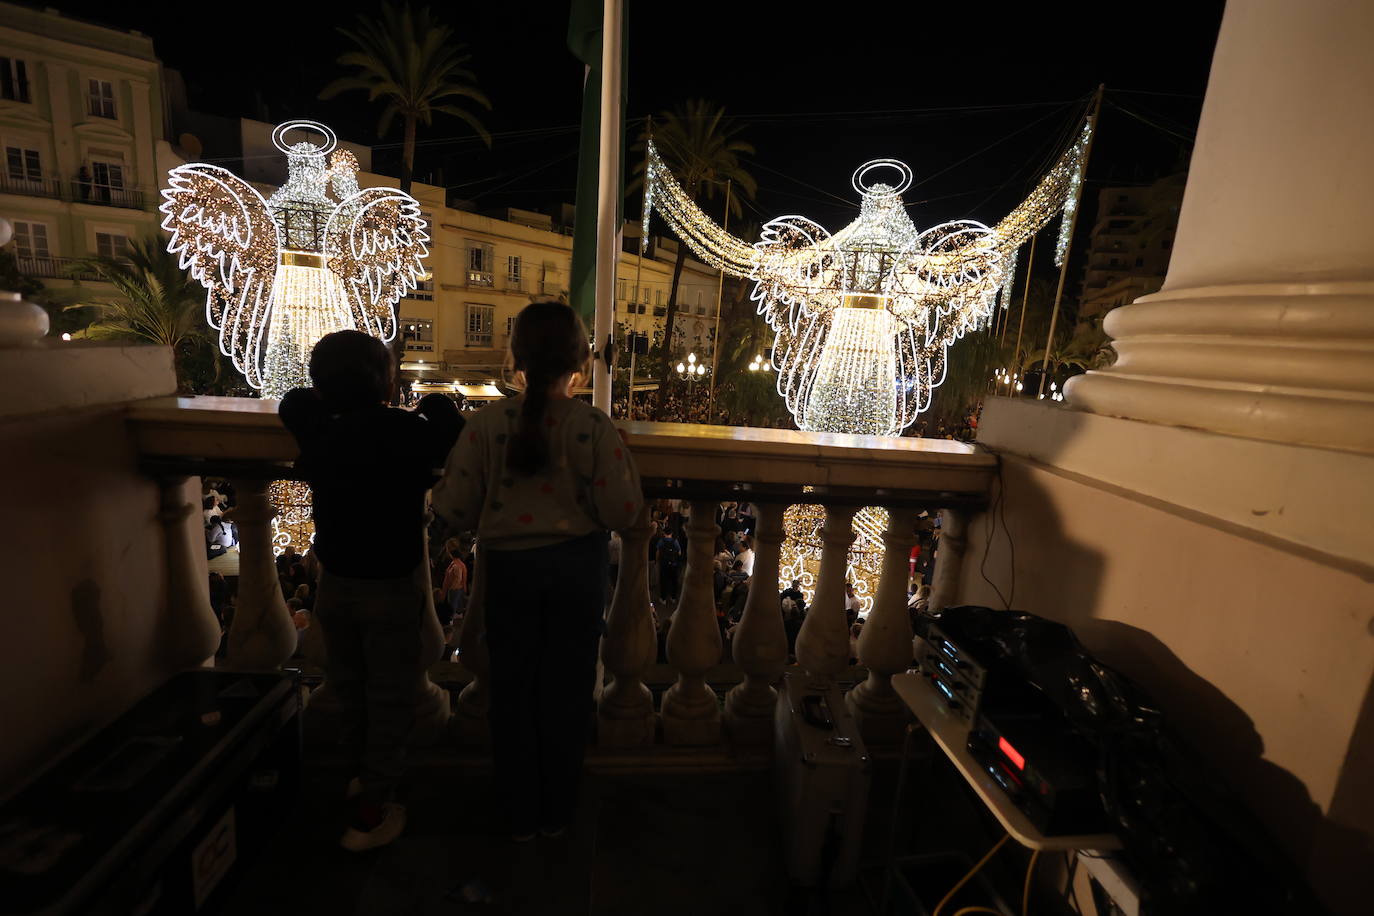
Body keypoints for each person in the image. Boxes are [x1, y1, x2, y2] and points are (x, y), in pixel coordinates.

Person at [432, 300, 641, 842]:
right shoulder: (592, 427)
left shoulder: (486, 425)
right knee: (568, 694)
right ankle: (557, 811)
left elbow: (453, 506)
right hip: (576, 573)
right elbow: (623, 511)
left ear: (517, 358)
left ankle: (519, 809)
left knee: (512, 692)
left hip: (508, 574)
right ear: (580, 360)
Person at [279, 329, 463, 852]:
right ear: (385, 382)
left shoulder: (320, 429)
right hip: (393, 585)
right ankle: (373, 809)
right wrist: (428, 402)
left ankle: (356, 779)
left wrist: (329, 401)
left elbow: (293, 401)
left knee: (348, 690)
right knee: (390, 698)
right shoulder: (405, 432)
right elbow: (451, 426)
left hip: (337, 584)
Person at [657, 531, 682, 603]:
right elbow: (679, 552)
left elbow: (657, 552)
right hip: (673, 564)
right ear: (671, 533)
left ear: (664, 533)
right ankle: (673, 598)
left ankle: (663, 599)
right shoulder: (675, 541)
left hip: (664, 564)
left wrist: (657, 560)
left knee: (663, 581)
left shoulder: (661, 541)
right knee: (674, 581)